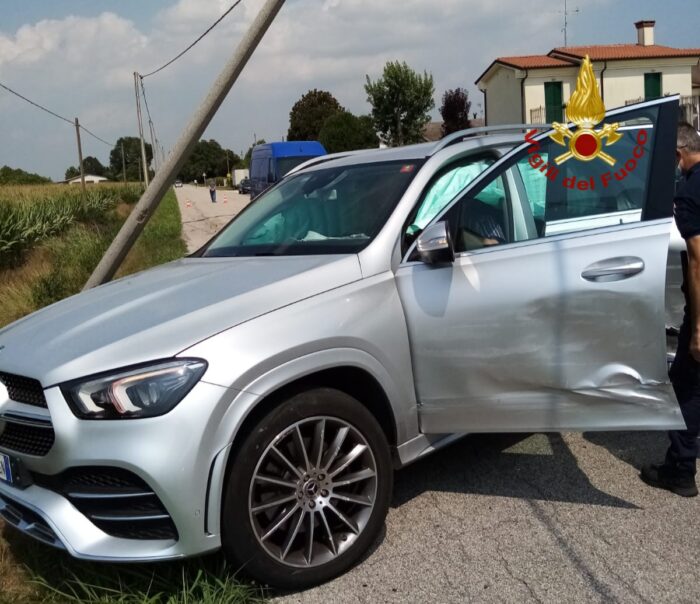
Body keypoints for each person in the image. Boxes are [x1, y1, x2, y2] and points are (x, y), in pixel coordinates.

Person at [641, 122, 700, 497]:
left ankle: (680, 469)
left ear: (678, 155)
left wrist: (697, 328)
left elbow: (696, 261)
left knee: (684, 386)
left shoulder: (690, 192)